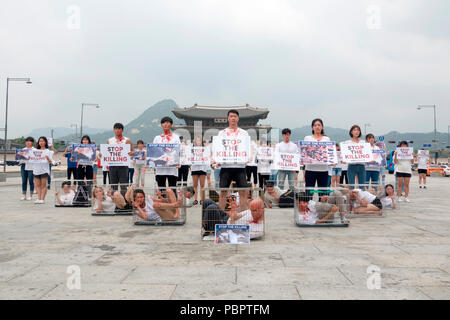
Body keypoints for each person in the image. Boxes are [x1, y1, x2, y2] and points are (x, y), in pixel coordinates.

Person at [214, 110, 250, 211]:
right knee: (223, 192)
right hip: (226, 167)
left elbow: (247, 148)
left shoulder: (244, 133)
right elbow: (218, 148)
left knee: (243, 192)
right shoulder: (222, 133)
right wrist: (217, 160)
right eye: (231, 116)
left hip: (240, 167)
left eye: (235, 116)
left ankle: (243, 215)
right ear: (228, 118)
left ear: (238, 118)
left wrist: (247, 158)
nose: (233, 118)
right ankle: (220, 215)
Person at [153, 116, 181, 189]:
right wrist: (152, 162)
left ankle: (173, 201)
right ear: (161, 125)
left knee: (172, 189)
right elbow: (154, 152)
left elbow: (178, 150)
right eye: (163, 122)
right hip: (160, 168)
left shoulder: (176, 137)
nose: (165, 124)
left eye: (167, 122)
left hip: (172, 167)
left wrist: (179, 162)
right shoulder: (157, 138)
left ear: (171, 125)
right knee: (161, 189)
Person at [303, 119, 332, 190]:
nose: (317, 127)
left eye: (319, 125)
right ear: (312, 127)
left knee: (322, 192)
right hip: (310, 169)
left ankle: (321, 201)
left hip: (323, 169)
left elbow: (330, 153)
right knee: (309, 192)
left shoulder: (327, 139)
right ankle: (309, 201)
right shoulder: (307, 138)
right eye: (315, 125)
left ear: (322, 127)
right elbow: (304, 152)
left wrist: (332, 161)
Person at [106, 123, 134, 193]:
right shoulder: (109, 140)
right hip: (112, 166)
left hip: (123, 166)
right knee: (113, 185)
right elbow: (106, 152)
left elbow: (133, 151)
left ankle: (124, 201)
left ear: (122, 130)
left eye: (119, 129)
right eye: (116, 129)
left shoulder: (127, 140)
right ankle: (115, 201)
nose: (117, 130)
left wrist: (131, 153)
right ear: (114, 130)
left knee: (123, 185)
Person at [342, 125, 366, 189]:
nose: (357, 131)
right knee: (351, 185)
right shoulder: (347, 143)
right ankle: (351, 199)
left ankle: (361, 198)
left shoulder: (363, 142)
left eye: (358, 130)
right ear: (351, 132)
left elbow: (366, 153)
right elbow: (344, 154)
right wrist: (344, 160)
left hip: (361, 166)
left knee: (362, 186)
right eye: (355, 130)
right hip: (351, 166)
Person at [32, 136, 53, 204]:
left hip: (44, 170)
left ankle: (42, 199)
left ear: (45, 142)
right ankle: (38, 198)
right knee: (37, 185)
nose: (41, 142)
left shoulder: (48, 151)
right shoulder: (35, 151)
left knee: (43, 185)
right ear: (38, 142)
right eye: (40, 141)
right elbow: (31, 158)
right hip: (36, 170)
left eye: (43, 141)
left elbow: (50, 161)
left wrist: (47, 158)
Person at [191, 136, 208, 205]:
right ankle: (195, 199)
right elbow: (189, 157)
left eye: (199, 141)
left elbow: (207, 157)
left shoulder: (205, 149)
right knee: (195, 185)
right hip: (194, 168)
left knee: (202, 185)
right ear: (194, 142)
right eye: (196, 141)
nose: (198, 142)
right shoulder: (191, 149)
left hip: (202, 168)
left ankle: (202, 199)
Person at [19, 136, 35, 201]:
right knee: (24, 181)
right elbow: (19, 160)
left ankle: (31, 195)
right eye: (27, 141)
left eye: (30, 141)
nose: (28, 142)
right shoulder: (23, 149)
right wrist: (17, 157)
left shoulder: (34, 150)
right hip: (23, 166)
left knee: (31, 181)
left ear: (32, 142)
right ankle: (24, 195)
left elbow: (36, 159)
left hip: (31, 166)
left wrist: (30, 158)